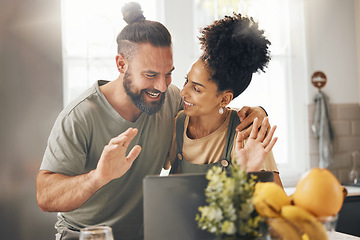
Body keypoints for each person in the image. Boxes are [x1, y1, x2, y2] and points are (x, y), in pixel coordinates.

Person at [36, 3, 268, 240]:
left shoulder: (169, 100)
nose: (162, 85)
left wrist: (258, 112)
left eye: (168, 73)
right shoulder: (80, 116)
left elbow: (210, 107)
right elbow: (45, 197)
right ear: (121, 64)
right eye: (151, 75)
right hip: (86, 235)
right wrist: (98, 177)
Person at [165, 13, 282, 186]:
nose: (183, 92)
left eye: (196, 88)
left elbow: (277, 201)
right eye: (186, 80)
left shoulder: (247, 133)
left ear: (224, 99)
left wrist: (250, 172)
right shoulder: (177, 124)